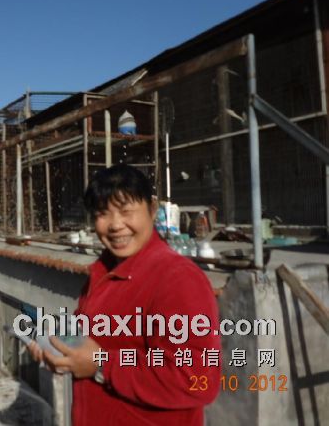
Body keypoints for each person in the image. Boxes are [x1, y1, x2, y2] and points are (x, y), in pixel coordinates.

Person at [29, 164, 220, 425]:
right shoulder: (104, 272)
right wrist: (57, 349)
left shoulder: (177, 279)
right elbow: (89, 342)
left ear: (152, 210)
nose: (116, 225)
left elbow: (197, 379)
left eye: (126, 211)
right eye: (102, 214)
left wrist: (101, 366)